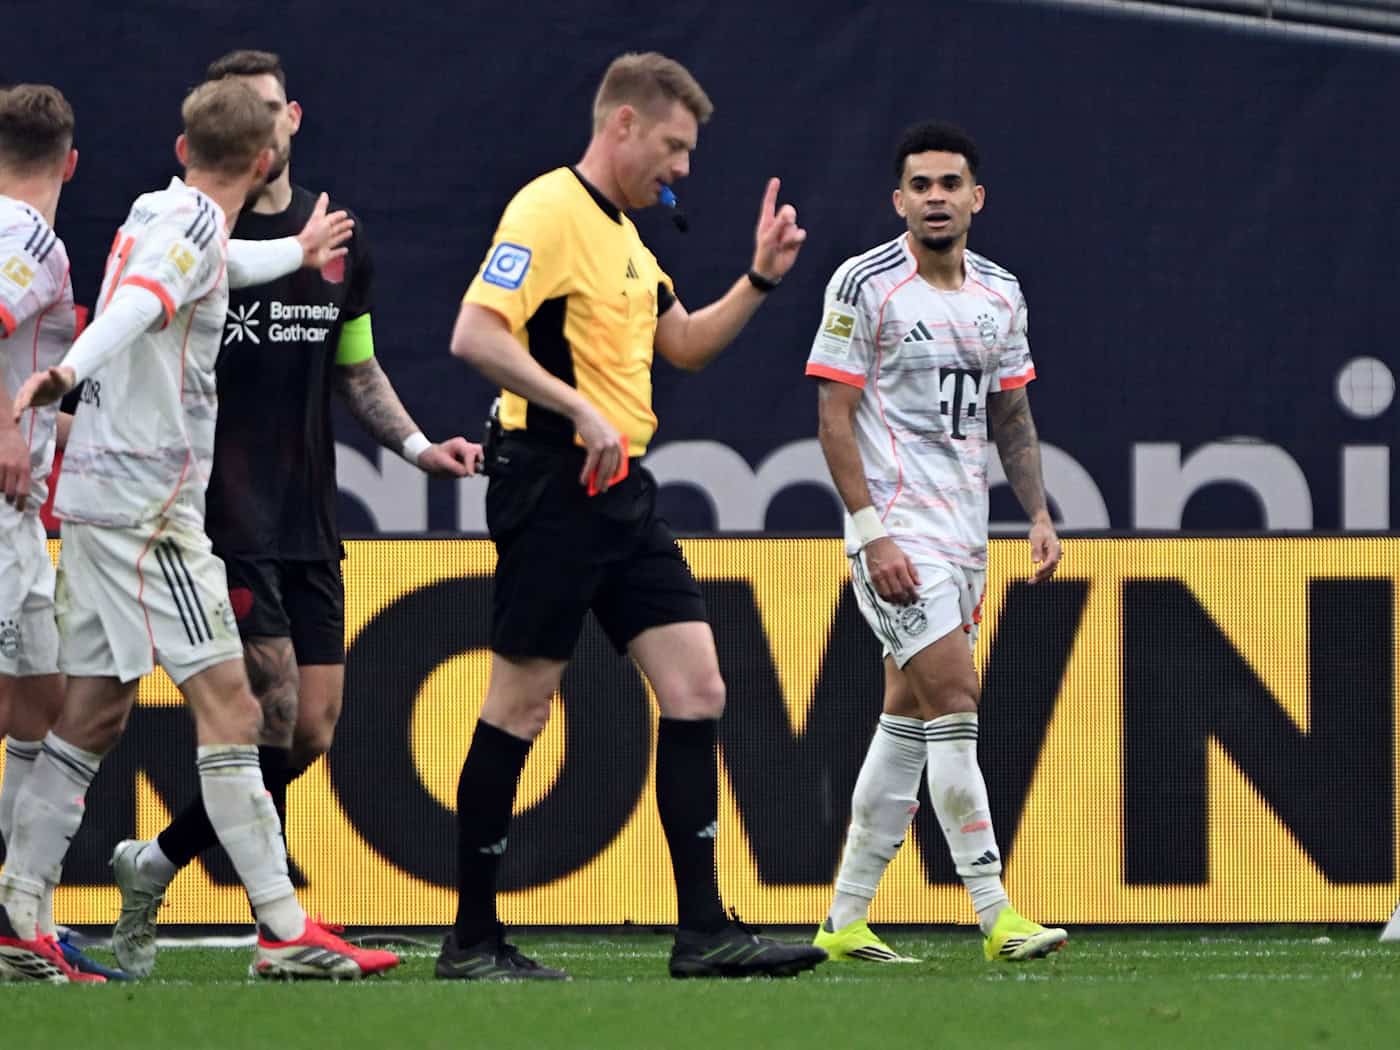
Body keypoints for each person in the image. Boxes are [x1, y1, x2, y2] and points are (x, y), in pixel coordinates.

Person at [0, 78, 398, 983]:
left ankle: (18, 919)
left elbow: (209, 263)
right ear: (265, 161)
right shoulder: (185, 231)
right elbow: (143, 302)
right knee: (234, 707)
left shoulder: (161, 209)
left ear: (184, 150)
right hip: (149, 511)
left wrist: (295, 250)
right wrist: (66, 371)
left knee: (93, 713)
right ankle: (284, 930)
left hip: (97, 498)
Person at [445, 51, 825, 980]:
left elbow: (683, 343)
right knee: (520, 706)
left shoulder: (626, 236)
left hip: (619, 491)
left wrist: (760, 279)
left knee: (698, 688)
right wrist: (577, 408)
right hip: (551, 480)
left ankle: (704, 932)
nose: (683, 168)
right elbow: (474, 334)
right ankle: (473, 940)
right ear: (623, 124)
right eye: (674, 146)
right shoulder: (547, 209)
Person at [106, 48, 483, 979]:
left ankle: (155, 862)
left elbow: (356, 366)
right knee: (266, 713)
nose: (264, 125)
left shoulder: (337, 237)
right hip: (221, 517)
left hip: (308, 518)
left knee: (311, 728)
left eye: (273, 107)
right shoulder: (193, 234)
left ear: (292, 118)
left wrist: (418, 448)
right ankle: (281, 932)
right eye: (246, 111)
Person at [806, 121, 1068, 964]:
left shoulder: (1001, 293)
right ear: (899, 201)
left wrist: (1037, 513)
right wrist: (870, 532)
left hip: (964, 533)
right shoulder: (865, 284)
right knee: (956, 698)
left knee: (908, 714)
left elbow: (1011, 414)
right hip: (897, 534)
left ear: (976, 197)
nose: (935, 198)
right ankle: (996, 914)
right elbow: (833, 415)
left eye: (950, 184)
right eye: (920, 186)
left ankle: (843, 922)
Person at [0, 81, 126, 981]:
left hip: (18, 513)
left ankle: (23, 917)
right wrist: (8, 430)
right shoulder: (29, 240)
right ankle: (20, 920)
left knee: (36, 709)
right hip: (4, 508)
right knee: (41, 708)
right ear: (71, 163)